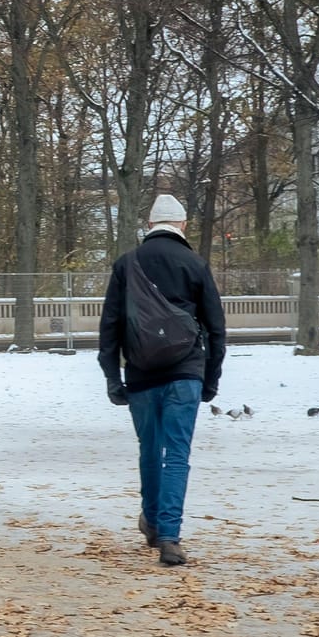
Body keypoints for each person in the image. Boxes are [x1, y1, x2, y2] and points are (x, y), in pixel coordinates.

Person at [97, 192, 227, 567]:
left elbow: (110, 326)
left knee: (149, 451)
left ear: (150, 226)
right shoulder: (195, 264)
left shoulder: (127, 264)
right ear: (183, 225)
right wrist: (210, 379)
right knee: (177, 455)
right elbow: (216, 328)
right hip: (185, 373)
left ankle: (152, 523)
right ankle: (169, 537)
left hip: (140, 373)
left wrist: (112, 376)